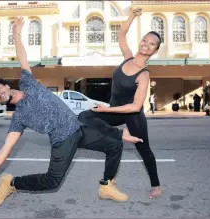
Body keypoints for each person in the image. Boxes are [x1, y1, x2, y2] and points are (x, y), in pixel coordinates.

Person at [0, 17, 143, 206]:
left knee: (115, 145)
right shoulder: (18, 117)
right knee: (52, 182)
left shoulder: (27, 82)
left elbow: (22, 56)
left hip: (78, 128)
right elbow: (6, 147)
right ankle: (11, 183)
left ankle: (106, 186)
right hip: (63, 140)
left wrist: (16, 34)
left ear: (4, 85)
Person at [78, 8, 162, 199]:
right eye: (145, 41)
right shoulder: (128, 57)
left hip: (132, 115)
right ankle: (118, 136)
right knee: (84, 116)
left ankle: (156, 185)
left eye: (152, 44)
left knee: (144, 149)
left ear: (155, 50)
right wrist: (132, 15)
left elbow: (134, 106)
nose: (146, 45)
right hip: (114, 111)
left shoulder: (144, 75)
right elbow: (121, 33)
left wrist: (108, 109)